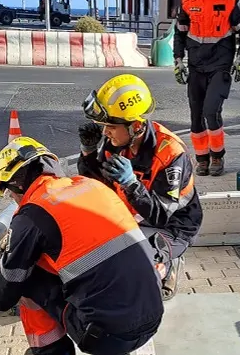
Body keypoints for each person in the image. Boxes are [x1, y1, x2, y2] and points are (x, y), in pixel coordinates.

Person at [0, 137, 164, 355]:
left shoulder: (32, 214)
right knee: (88, 274)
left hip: (105, 334)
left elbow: (4, 295)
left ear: (15, 187)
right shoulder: (90, 186)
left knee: (25, 279)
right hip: (152, 317)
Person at [78, 74, 203, 301]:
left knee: (135, 275)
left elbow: (160, 216)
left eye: (111, 127)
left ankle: (168, 263)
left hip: (172, 227)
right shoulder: (116, 141)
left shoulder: (171, 154)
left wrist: (132, 185)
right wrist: (87, 154)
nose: (105, 132)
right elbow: (97, 187)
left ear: (135, 126)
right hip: (131, 218)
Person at [173, 0, 240, 177]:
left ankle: (217, 156)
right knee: (196, 116)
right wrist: (178, 61)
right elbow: (180, 33)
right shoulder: (188, 1)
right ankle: (202, 159)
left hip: (220, 64)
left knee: (211, 111)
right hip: (196, 65)